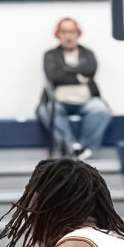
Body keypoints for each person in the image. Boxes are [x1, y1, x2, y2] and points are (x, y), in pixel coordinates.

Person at [37, 18, 112, 161]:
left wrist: (65, 72)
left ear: (78, 33)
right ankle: (68, 147)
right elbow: (54, 76)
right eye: (64, 32)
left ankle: (85, 149)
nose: (68, 36)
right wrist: (78, 76)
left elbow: (90, 70)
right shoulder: (50, 55)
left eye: (71, 31)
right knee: (45, 110)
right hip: (59, 100)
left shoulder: (88, 54)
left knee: (101, 109)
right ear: (58, 34)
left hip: (86, 101)